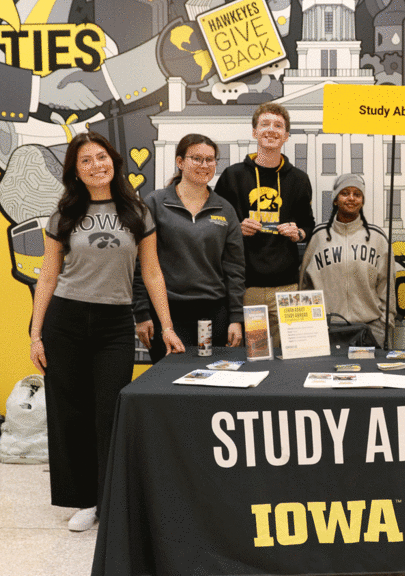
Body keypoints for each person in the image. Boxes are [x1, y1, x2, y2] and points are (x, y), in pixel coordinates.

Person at [28, 132, 184, 532]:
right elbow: (47, 277)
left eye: (102, 157)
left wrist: (166, 325)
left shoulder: (137, 212)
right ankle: (84, 500)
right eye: (86, 161)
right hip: (66, 320)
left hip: (115, 323)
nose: (96, 165)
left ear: (113, 162)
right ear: (76, 172)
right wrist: (36, 333)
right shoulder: (63, 215)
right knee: (71, 414)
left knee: (110, 412)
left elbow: (151, 273)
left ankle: (112, 496)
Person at [133, 134, 246, 360]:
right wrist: (142, 313)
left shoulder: (225, 209)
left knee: (213, 385)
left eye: (210, 160)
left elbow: (235, 268)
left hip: (215, 314)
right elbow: (139, 264)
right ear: (180, 162)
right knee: (168, 388)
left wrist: (236, 318)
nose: (204, 165)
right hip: (166, 314)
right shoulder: (155, 203)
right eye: (197, 158)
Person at [214, 103, 315, 348]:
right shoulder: (232, 176)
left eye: (278, 126)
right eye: (265, 124)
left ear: (287, 136)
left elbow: (308, 226)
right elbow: (215, 224)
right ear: (254, 132)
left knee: (292, 356)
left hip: (289, 289)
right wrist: (236, 229)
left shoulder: (299, 179)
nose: (271, 130)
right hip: (247, 290)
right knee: (254, 355)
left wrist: (298, 233)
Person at [299, 173, 396, 347]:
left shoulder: (377, 238)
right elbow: (304, 286)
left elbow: (387, 288)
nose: (351, 198)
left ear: (362, 200)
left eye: (357, 194)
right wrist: (308, 326)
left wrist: (384, 325)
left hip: (369, 328)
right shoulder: (319, 237)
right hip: (327, 329)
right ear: (335, 199)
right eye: (345, 193)